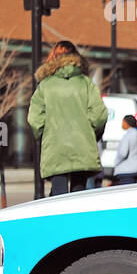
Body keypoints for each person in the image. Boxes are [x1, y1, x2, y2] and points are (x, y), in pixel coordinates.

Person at [27, 41, 108, 197]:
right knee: (78, 196)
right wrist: (91, 133)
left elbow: (34, 119)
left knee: (58, 195)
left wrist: (45, 134)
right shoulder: (85, 83)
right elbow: (99, 115)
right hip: (82, 145)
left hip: (55, 146)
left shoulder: (45, 85)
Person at [113, 115, 137, 184]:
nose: (122, 124)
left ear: (127, 123)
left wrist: (116, 163)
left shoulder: (128, 135)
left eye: (123, 122)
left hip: (127, 171)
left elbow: (123, 153)